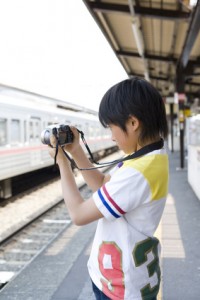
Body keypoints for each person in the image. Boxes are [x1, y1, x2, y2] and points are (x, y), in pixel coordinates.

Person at [48, 77, 169, 300]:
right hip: (126, 278)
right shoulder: (151, 158)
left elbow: (78, 214)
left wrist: (61, 162)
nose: (111, 136)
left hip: (120, 288)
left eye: (112, 127)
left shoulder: (137, 172)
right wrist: (75, 151)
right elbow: (103, 185)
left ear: (133, 123)